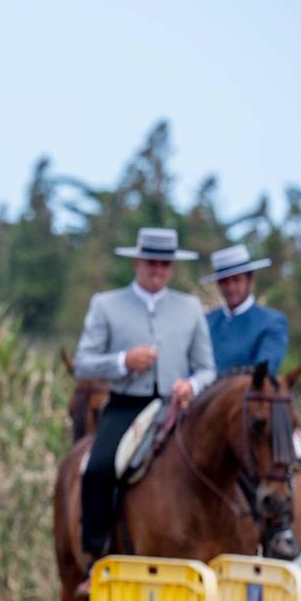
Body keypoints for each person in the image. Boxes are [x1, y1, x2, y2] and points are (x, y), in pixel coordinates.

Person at [72, 226, 217, 562]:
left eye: (165, 264)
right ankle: (96, 553)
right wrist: (124, 361)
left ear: (173, 268)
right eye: (151, 262)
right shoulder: (106, 305)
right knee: (98, 469)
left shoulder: (190, 308)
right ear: (137, 262)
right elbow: (83, 364)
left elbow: (208, 368)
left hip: (178, 406)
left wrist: (191, 385)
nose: (158, 270)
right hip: (127, 406)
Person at [201, 244, 290, 372]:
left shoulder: (271, 322)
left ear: (250, 280)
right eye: (224, 281)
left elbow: (263, 372)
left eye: (236, 280)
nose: (230, 287)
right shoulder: (207, 320)